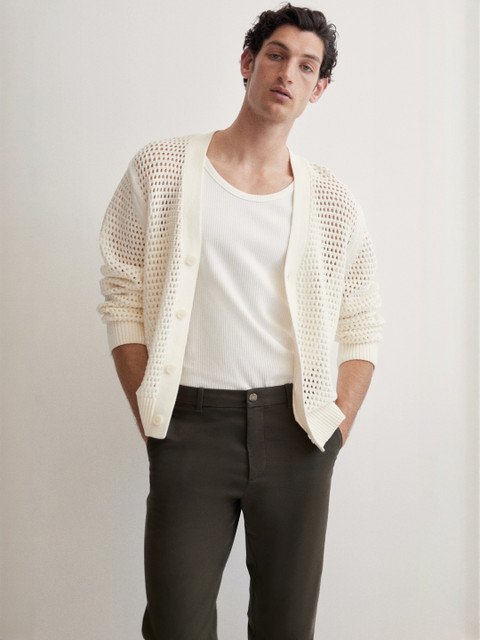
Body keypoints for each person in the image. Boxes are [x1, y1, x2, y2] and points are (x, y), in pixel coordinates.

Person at [97, 3, 385, 638]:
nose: (287, 74)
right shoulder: (162, 168)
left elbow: (363, 322)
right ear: (248, 62)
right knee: (175, 624)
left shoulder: (331, 201)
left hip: (297, 432)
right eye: (276, 55)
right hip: (190, 426)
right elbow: (122, 294)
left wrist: (335, 429)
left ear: (319, 89)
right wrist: (151, 408)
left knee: (286, 626)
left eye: (306, 66)